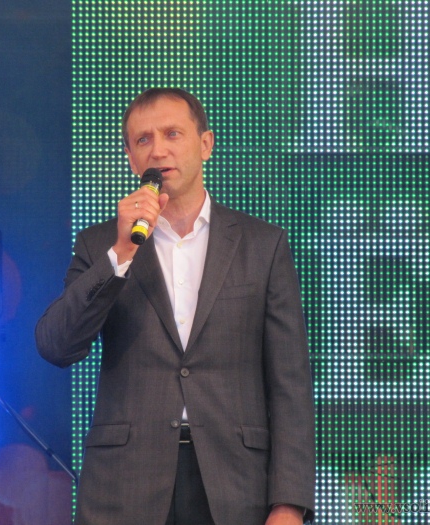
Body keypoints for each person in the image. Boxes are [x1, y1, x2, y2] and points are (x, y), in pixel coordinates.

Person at [35, 88, 315, 525]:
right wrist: (120, 255)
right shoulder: (100, 244)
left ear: (206, 144)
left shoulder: (263, 244)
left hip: (236, 484)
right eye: (143, 139)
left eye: (172, 134)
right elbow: (56, 345)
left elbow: (290, 384)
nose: (158, 149)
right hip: (125, 486)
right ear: (131, 158)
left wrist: (289, 503)